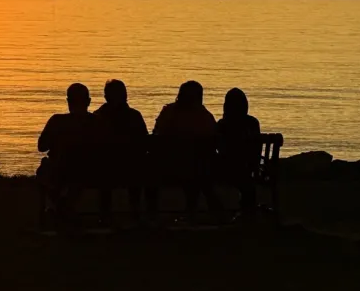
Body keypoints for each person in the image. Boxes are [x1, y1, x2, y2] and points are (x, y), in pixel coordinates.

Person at [151, 80, 222, 217]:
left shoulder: (169, 113)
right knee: (199, 174)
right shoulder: (205, 117)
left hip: (170, 167)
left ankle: (153, 213)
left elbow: (156, 137)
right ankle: (199, 211)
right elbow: (214, 144)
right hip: (200, 169)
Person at [36, 82, 100, 222]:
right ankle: (64, 206)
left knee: (46, 167)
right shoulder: (97, 122)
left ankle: (54, 207)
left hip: (61, 171)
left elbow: (41, 147)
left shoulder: (57, 121)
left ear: (68, 101)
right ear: (88, 101)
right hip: (91, 172)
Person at [94, 78, 149, 224]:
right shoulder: (135, 116)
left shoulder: (97, 117)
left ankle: (105, 215)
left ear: (106, 97)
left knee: (104, 170)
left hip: (105, 171)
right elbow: (145, 143)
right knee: (137, 168)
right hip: (133, 170)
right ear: (125, 95)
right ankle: (135, 212)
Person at [215, 87, 263, 217]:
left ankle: (218, 210)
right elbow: (257, 149)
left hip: (227, 170)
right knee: (244, 178)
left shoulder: (222, 125)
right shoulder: (253, 123)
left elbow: (218, 148)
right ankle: (247, 208)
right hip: (249, 168)